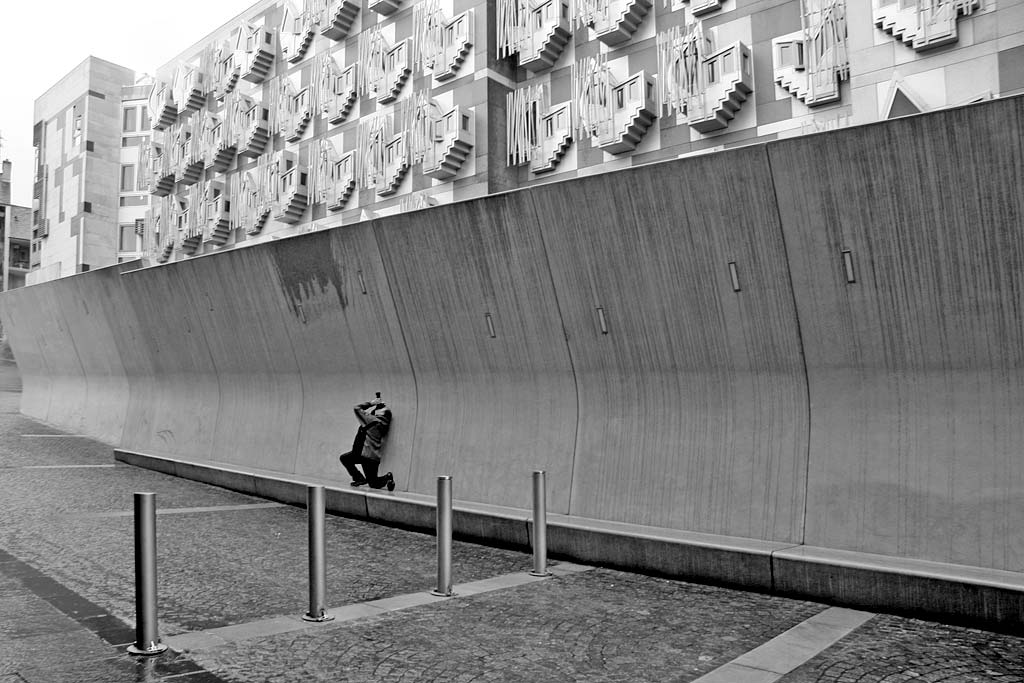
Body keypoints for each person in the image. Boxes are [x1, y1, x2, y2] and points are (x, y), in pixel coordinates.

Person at [339, 393, 395, 491]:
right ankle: (387, 478)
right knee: (374, 483)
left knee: (345, 459)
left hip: (363, 454)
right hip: (373, 457)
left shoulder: (371, 420)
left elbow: (357, 408)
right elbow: (376, 414)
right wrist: (379, 407)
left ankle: (359, 478)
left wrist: (372, 403)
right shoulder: (383, 424)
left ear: (379, 413)